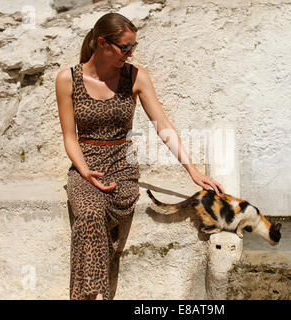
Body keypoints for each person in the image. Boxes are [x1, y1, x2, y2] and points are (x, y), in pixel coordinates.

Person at [55, 12, 224, 300]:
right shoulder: (67, 79)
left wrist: (192, 171)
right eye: (125, 47)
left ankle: (86, 297)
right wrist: (84, 171)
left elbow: (164, 127)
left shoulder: (135, 76)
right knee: (90, 213)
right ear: (102, 43)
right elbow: (70, 137)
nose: (131, 53)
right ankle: (96, 297)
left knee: (96, 220)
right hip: (84, 166)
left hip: (122, 166)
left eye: (133, 47)